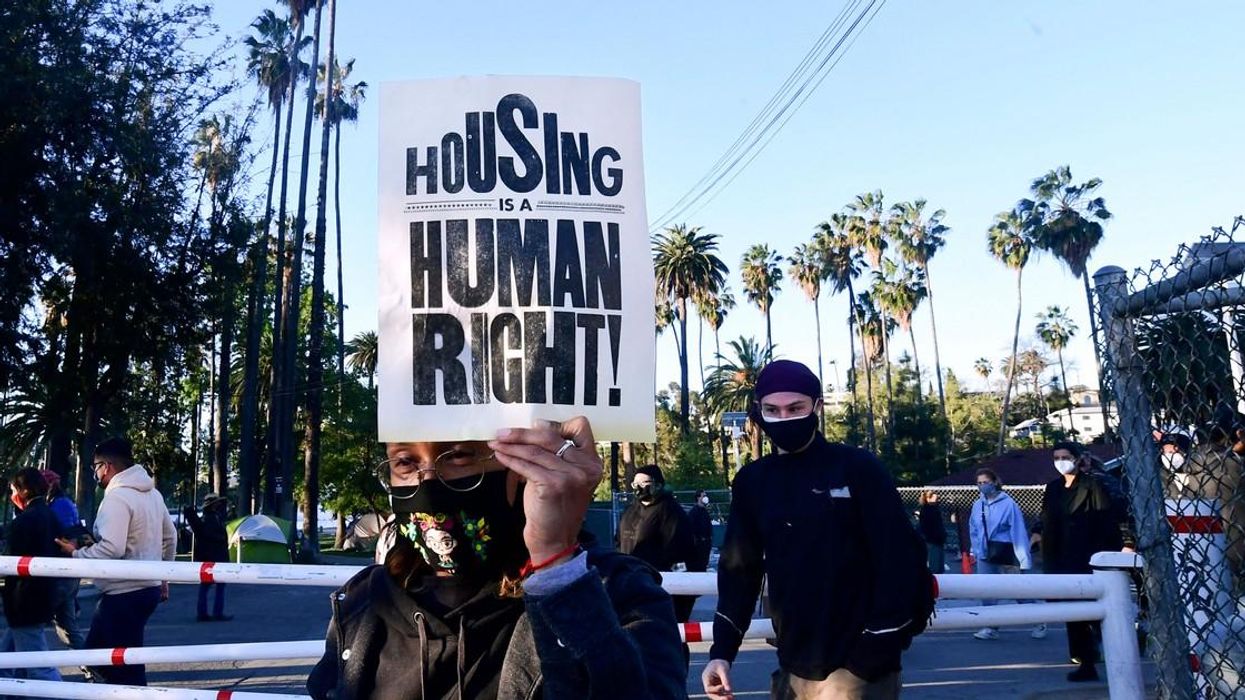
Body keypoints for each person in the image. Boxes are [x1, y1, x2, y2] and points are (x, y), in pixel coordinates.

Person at [306, 417, 687, 699]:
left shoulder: (614, 591)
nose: (427, 482)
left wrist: (557, 566)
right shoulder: (363, 603)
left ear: (520, 468)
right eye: (405, 462)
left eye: (458, 455)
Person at [704, 360, 931, 700]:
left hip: (858, 671)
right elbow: (740, 571)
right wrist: (721, 652)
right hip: (792, 666)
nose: (784, 419)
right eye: (772, 410)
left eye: (795, 408)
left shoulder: (859, 468)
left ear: (817, 407)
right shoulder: (753, 481)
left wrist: (875, 648)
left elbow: (900, 560)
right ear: (758, 411)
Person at [55, 437, 177, 687]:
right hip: (148, 588)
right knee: (124, 658)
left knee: (104, 661)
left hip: (123, 591)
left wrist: (76, 554)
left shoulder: (116, 498)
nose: (95, 474)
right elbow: (170, 537)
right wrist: (164, 577)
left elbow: (112, 547)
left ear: (107, 466)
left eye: (95, 467)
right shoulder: (153, 494)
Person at [1040, 442, 1135, 683]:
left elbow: (1108, 518)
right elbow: (1048, 521)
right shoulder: (1052, 489)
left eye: (1066, 456)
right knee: (1073, 615)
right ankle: (1085, 661)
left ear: (1078, 458)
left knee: (1096, 612)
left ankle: (1114, 652)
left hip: (1089, 556)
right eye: (1057, 457)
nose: (1061, 461)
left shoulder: (1094, 485)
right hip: (1062, 558)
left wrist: (1124, 544)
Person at [1, 468, 66, 685]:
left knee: (39, 667)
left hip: (23, 602)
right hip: (43, 596)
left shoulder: (23, 522)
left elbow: (10, 564)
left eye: (13, 490)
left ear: (23, 490)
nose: (12, 495)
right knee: (6, 660)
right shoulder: (50, 515)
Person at [966, 469, 1044, 641]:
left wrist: (1023, 557)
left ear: (994, 482)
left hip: (1006, 550)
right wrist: (975, 549)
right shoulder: (977, 505)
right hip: (985, 552)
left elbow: (1017, 531)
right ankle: (991, 625)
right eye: (979, 483)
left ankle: (1039, 619)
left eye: (985, 482)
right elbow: (974, 529)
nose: (982, 486)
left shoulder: (1009, 504)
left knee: (1017, 589)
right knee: (986, 590)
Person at [618, 465, 696, 624]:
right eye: (635, 484)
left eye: (644, 482)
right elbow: (619, 542)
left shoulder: (671, 512)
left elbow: (679, 549)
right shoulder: (629, 512)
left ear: (657, 484)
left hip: (659, 585)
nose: (639, 488)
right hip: (630, 583)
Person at [41, 469, 87, 649]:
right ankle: (93, 669)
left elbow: (67, 538)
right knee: (67, 627)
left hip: (60, 573)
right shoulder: (63, 503)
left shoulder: (59, 505)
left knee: (28, 624)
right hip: (67, 572)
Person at [183, 493, 231, 622]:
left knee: (206, 586)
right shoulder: (211, 518)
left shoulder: (208, 517)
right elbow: (210, 535)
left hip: (210, 555)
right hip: (215, 556)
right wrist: (222, 539)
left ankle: (205, 612)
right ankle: (215, 612)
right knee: (217, 585)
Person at [917, 490, 946, 574]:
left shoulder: (934, 509)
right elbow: (928, 527)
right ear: (928, 498)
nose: (937, 499)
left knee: (939, 566)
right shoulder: (927, 510)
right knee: (935, 567)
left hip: (938, 540)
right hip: (932, 541)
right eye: (934, 497)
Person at [688, 489, 714, 573]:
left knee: (704, 565)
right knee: (698, 566)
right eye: (703, 496)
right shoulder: (693, 512)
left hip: (706, 543)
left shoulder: (705, 511)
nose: (705, 498)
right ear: (698, 498)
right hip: (699, 543)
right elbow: (691, 528)